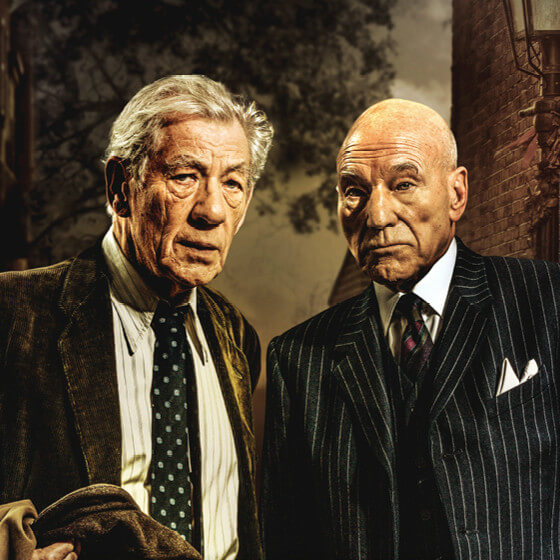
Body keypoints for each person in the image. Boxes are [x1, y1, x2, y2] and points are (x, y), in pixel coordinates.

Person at [261, 99, 560, 559]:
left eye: (403, 185)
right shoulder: (298, 357)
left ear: (456, 193)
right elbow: (286, 539)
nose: (377, 216)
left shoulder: (548, 299)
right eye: (354, 191)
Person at [0, 75, 273, 560]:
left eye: (232, 183)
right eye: (185, 176)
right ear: (120, 187)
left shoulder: (238, 337)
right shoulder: (15, 312)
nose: (212, 210)